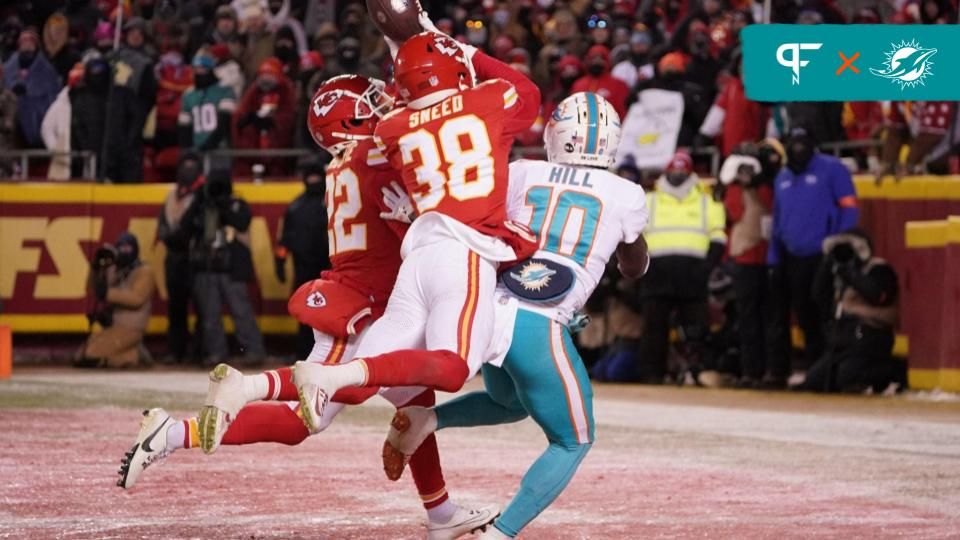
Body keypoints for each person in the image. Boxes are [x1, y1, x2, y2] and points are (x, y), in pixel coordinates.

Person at [119, 76, 497, 539]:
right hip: (360, 307)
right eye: (371, 103)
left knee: (415, 401)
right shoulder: (375, 157)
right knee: (306, 420)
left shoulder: (345, 163)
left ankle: (441, 514)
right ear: (351, 119)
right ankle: (205, 413)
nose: (382, 107)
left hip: (370, 301)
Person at [383, 92, 650, 539]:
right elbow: (634, 266)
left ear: (554, 136)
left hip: (487, 305)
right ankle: (500, 533)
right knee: (573, 439)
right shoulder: (627, 194)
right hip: (538, 323)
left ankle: (428, 420)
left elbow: (474, 218)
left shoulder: (522, 172)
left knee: (510, 404)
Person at [292, 29, 540, 434]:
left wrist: (413, 51)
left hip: (416, 258)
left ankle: (252, 385)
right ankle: (326, 379)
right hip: (460, 252)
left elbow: (416, 113)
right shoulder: (487, 100)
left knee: (366, 377)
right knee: (454, 367)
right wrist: (455, 47)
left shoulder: (392, 129)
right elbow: (525, 92)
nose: (384, 99)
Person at [767, 126, 858, 388]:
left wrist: (839, 241)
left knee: (823, 313)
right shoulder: (783, 176)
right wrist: (774, 258)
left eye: (802, 142)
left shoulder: (832, 169)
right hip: (792, 256)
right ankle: (813, 369)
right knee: (803, 314)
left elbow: (849, 208)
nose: (798, 148)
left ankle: (827, 372)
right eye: (793, 143)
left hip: (822, 254)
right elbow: (777, 220)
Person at [636, 150, 726, 383]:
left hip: (693, 273)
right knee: (653, 329)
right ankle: (650, 375)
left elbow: (718, 237)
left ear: (691, 173)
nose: (677, 175)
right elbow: (634, 236)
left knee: (699, 329)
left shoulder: (707, 202)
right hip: (656, 272)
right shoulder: (648, 200)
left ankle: (701, 373)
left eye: (682, 171)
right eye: (674, 170)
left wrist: (707, 267)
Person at [797, 229, 903, 393]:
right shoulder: (838, 272)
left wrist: (851, 274)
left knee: (848, 378)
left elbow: (878, 296)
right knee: (815, 381)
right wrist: (828, 264)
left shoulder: (879, 269)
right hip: (842, 339)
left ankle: (891, 370)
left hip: (869, 337)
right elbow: (818, 295)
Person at [180, 167, 266, 366]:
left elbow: (242, 222)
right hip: (206, 267)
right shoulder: (202, 205)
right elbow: (184, 227)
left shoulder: (237, 203)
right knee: (210, 316)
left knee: (241, 312)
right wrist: (199, 201)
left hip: (232, 268)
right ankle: (216, 354)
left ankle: (254, 351)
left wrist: (222, 204)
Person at [718, 141, 780, 387]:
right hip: (767, 259)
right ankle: (769, 371)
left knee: (749, 319)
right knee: (768, 318)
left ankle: (752, 371)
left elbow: (732, 215)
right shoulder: (770, 188)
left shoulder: (737, 192)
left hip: (746, 259)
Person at [275, 160, 331, 358]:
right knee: (305, 313)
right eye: (310, 177)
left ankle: (328, 353)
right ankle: (304, 352)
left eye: (317, 177)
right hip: (304, 270)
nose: (313, 180)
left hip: (329, 269)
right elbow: (284, 239)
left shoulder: (331, 201)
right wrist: (280, 262)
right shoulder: (295, 207)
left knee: (328, 313)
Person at [75, 233, 156, 368]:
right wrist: (95, 269)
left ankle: (134, 355)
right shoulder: (114, 269)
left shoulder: (144, 271)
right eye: (121, 248)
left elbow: (137, 299)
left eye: (127, 248)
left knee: (93, 354)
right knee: (81, 355)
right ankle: (131, 352)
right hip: (113, 326)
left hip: (132, 328)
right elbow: (93, 290)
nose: (124, 252)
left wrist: (108, 293)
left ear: (135, 249)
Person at [158, 153, 203, 363]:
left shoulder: (200, 196)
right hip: (174, 258)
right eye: (184, 167)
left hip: (194, 258)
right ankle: (176, 351)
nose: (187, 172)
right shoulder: (171, 195)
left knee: (201, 307)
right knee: (176, 308)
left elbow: (197, 229)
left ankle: (198, 352)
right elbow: (162, 226)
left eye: (192, 167)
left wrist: (179, 236)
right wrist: (171, 237)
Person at [101, 17, 157, 183]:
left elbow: (149, 96)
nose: (135, 36)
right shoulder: (112, 57)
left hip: (133, 117)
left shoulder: (147, 62)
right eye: (132, 32)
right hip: (111, 116)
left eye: (139, 33)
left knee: (130, 165)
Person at [232, 56, 295, 176]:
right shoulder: (253, 92)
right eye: (263, 74)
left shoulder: (286, 91)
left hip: (279, 152)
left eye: (270, 74)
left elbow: (289, 117)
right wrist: (249, 119)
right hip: (254, 149)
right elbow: (241, 115)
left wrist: (272, 122)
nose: (266, 78)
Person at [178, 51, 236, 169]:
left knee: (217, 181)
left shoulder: (224, 90)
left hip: (220, 147)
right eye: (197, 69)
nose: (199, 72)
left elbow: (225, 122)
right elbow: (184, 127)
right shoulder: (189, 94)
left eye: (203, 69)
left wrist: (211, 144)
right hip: (197, 149)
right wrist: (188, 150)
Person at [2, 28, 59, 149]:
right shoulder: (6, 69)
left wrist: (30, 96)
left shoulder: (47, 71)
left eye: (30, 39)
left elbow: (52, 99)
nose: (26, 43)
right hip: (11, 129)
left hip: (38, 127)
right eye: (23, 40)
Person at [571, 45, 628, 118]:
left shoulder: (618, 85)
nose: (596, 61)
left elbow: (622, 112)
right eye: (593, 58)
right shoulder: (578, 85)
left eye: (601, 58)